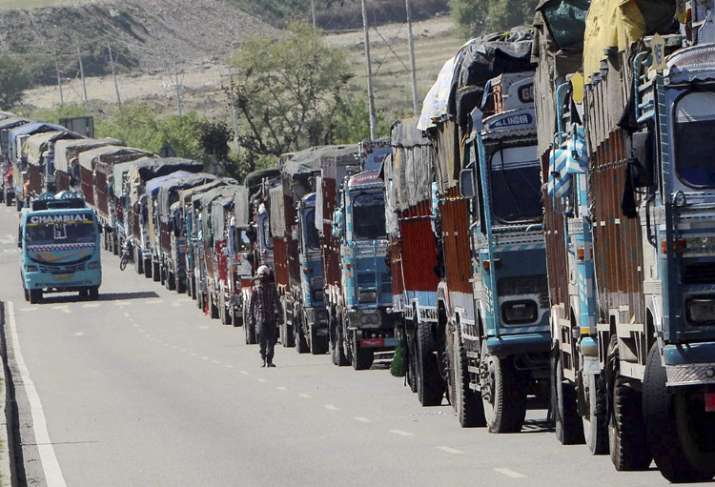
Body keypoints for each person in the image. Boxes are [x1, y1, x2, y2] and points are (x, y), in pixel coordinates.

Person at [248, 265, 283, 367]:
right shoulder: (255, 289)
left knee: (271, 340)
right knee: (262, 341)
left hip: (271, 318)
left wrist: (280, 315)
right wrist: (250, 318)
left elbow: (277, 302)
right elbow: (251, 305)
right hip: (260, 319)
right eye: (261, 276)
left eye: (265, 276)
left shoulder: (272, 289)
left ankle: (270, 360)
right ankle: (263, 358)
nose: (263, 278)